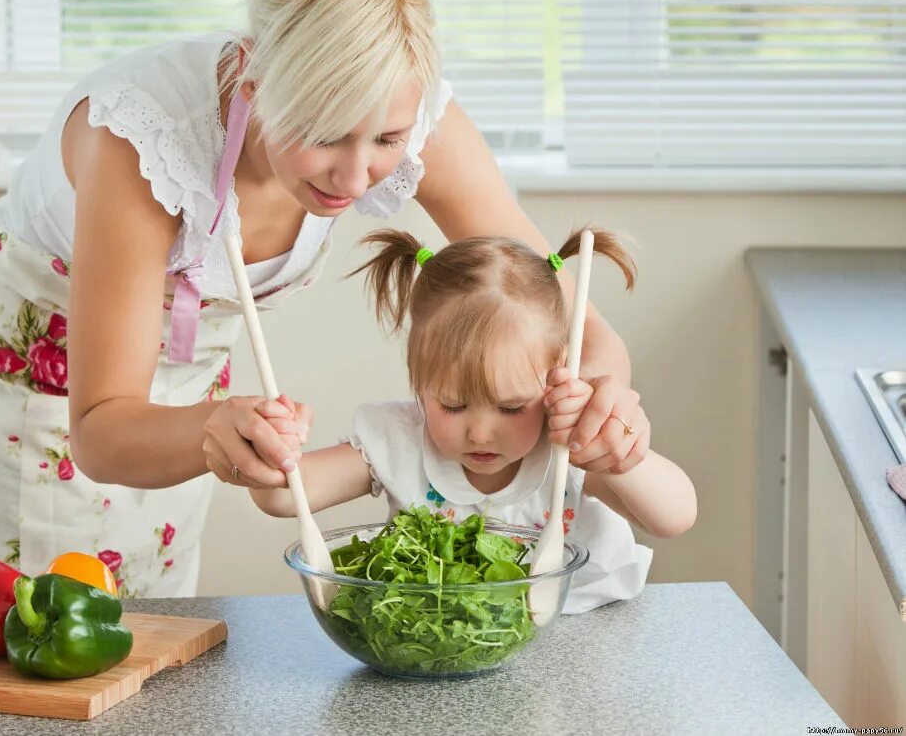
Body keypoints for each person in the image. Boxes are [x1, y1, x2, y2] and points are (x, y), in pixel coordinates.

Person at [0, 0, 644, 598]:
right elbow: (99, 431)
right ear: (255, 83)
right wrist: (210, 427)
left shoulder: (409, 112)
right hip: (30, 395)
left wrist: (607, 404)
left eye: (386, 138)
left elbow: (579, 327)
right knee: (19, 657)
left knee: (140, 641)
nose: (356, 176)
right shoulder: (140, 141)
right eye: (325, 135)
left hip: (186, 402)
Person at [240, 229, 697, 611]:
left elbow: (674, 518)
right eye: (453, 406)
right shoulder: (397, 439)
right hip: (449, 643)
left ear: (560, 372)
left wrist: (619, 456)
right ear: (418, 378)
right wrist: (271, 447)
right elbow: (284, 499)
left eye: (511, 407)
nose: (479, 431)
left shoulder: (567, 442)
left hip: (584, 633)